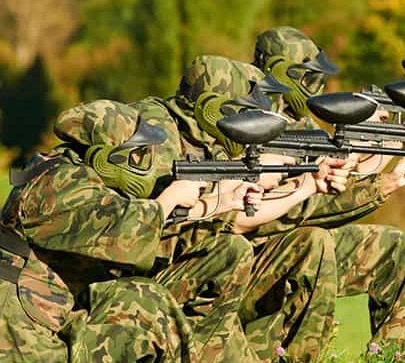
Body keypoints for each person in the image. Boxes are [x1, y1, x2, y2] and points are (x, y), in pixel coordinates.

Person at [0, 100, 259, 362]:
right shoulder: (57, 184)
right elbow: (124, 235)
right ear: (104, 157)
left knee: (221, 255)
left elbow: (123, 227)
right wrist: (171, 198)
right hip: (22, 339)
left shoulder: (73, 175)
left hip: (49, 318)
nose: (144, 161)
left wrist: (218, 203)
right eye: (137, 153)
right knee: (144, 301)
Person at [146, 54, 356, 362]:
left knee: (309, 241)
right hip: (158, 281)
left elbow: (233, 215)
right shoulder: (163, 140)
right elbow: (230, 222)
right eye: (240, 112)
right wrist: (249, 177)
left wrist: (309, 182)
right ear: (212, 107)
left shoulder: (202, 137)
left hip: (204, 271)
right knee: (235, 249)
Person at [252, 26, 405, 360]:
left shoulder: (302, 128)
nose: (318, 88)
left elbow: (334, 187)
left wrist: (387, 152)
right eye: (310, 79)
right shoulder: (248, 127)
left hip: (296, 246)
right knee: (314, 243)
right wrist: (384, 183)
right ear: (281, 74)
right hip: (263, 254)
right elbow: (304, 209)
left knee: (391, 246)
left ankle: (390, 357)